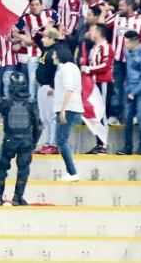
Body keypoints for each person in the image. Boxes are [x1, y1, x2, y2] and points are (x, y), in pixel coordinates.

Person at [0, 71, 40, 206]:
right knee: (23, 171)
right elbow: (38, 126)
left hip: (10, 141)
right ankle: (18, 198)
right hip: (26, 142)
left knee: (1, 168)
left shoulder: (5, 102)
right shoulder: (30, 104)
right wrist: (33, 142)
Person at [52, 43, 84, 182]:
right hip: (69, 106)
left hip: (68, 108)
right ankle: (71, 172)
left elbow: (69, 89)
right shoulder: (70, 67)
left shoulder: (66, 68)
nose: (52, 56)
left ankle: (72, 172)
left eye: (54, 54)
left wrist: (63, 110)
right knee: (61, 139)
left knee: (60, 140)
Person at [120, 32, 141, 155]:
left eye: (127, 42)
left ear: (134, 42)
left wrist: (135, 92)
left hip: (140, 90)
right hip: (128, 89)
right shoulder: (127, 52)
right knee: (127, 119)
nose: (125, 45)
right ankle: (128, 147)